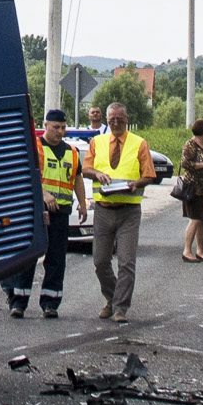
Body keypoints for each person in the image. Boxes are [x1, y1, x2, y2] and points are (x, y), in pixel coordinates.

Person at [79, 95, 157, 318]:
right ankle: (112, 298)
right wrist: (98, 174)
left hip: (128, 210)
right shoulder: (97, 142)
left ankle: (121, 308)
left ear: (127, 119)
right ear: (106, 119)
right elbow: (86, 169)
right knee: (100, 261)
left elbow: (149, 174)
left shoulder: (139, 143)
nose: (115, 122)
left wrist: (136, 184)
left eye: (120, 118)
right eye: (112, 118)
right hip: (103, 209)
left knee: (126, 262)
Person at [8, 113, 81, 317]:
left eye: (63, 127)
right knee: (28, 256)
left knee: (56, 259)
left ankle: (50, 303)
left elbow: (77, 178)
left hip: (61, 212)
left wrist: (83, 204)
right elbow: (26, 175)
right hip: (36, 212)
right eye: (56, 127)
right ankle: (18, 303)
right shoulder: (35, 148)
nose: (60, 131)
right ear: (45, 125)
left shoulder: (71, 152)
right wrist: (44, 194)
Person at [173, 118, 203, 263]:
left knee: (202, 220)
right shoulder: (190, 144)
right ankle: (187, 250)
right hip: (193, 187)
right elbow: (185, 163)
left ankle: (200, 250)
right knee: (194, 219)